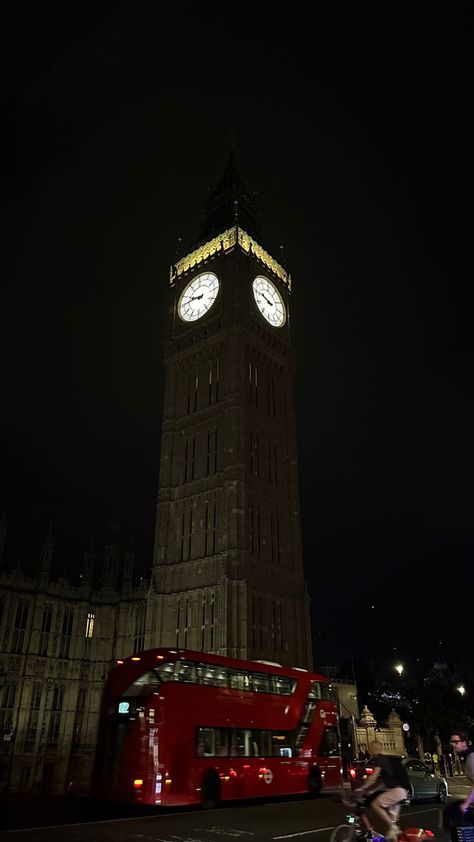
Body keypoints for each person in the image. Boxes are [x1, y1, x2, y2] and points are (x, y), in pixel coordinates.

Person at [355, 740, 409, 841]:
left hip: (397, 791)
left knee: (375, 804)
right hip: (400, 791)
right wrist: (372, 791)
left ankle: (393, 828)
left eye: (370, 747)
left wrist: (361, 788)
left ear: (372, 749)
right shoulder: (385, 760)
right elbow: (383, 783)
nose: (369, 750)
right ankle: (395, 832)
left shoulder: (380, 760)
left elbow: (373, 778)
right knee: (390, 825)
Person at [442, 731, 474, 838]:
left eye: (456, 742)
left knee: (453, 812)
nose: (453, 744)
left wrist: (465, 804)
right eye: (452, 742)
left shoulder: (471, 758)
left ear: (464, 743)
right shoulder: (468, 757)